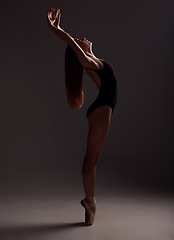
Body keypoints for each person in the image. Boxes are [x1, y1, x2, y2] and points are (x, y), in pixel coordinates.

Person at [47, 8, 117, 225]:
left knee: (92, 158)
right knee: (91, 159)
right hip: (101, 111)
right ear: (80, 53)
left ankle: (89, 202)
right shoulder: (90, 63)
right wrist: (54, 28)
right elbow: (70, 42)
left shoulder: (95, 62)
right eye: (79, 42)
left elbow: (78, 46)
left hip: (100, 110)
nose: (83, 39)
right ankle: (90, 201)